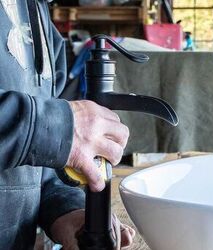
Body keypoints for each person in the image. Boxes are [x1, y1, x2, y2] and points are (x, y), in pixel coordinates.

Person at [0, 0, 135, 249]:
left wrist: (67, 212)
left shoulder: (39, 17)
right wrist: (52, 128)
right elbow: (41, 135)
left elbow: (39, 170)